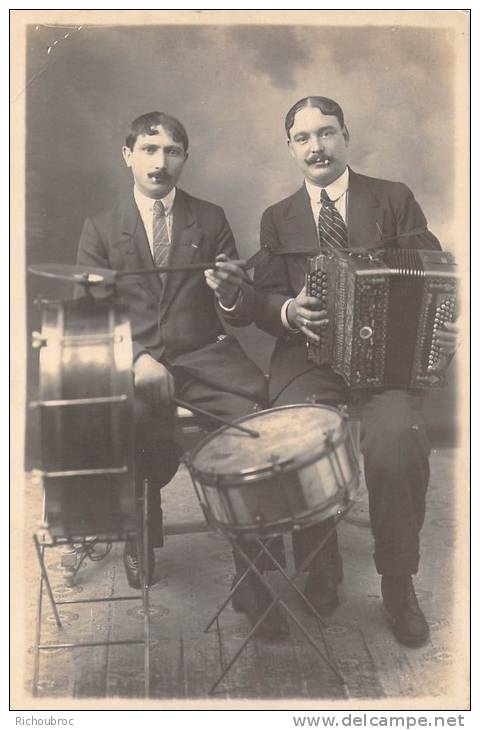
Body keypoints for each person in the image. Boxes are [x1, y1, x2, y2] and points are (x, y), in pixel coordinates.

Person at [226, 96, 458, 647]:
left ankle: (398, 583)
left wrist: (447, 324)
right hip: (312, 359)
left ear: (345, 136)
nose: (317, 148)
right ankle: (320, 564)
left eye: (326, 134)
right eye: (303, 138)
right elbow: (262, 297)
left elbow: (434, 276)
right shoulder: (277, 217)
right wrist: (287, 310)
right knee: (298, 435)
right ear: (290, 149)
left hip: (386, 367)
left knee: (396, 440)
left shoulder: (392, 199)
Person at [76, 112, 288, 637]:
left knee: (251, 426)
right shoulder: (101, 228)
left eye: (172, 151)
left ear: (184, 160)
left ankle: (254, 573)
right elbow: (91, 314)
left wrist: (229, 290)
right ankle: (139, 527)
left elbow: (237, 312)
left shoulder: (209, 218)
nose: (160, 162)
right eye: (149, 149)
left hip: (205, 359)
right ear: (127, 155)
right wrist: (136, 357)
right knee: (132, 404)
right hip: (136, 363)